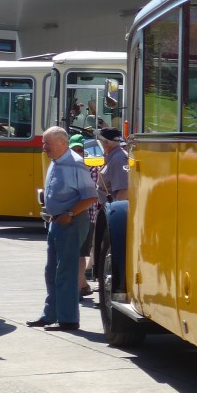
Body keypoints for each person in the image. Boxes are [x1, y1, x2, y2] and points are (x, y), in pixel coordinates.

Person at [27, 126, 98, 331]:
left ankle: (68, 319)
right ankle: (50, 315)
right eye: (44, 143)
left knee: (65, 271)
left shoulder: (75, 163)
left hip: (71, 222)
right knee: (51, 271)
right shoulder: (55, 162)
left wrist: (69, 214)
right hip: (57, 221)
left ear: (62, 143)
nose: (44, 147)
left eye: (47, 143)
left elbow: (90, 196)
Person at [69, 134, 101, 296]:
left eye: (80, 150)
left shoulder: (91, 167)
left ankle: (79, 287)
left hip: (85, 215)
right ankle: (81, 285)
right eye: (74, 149)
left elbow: (91, 193)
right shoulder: (73, 166)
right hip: (78, 214)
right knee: (78, 253)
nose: (77, 152)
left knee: (79, 253)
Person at [97, 127, 129, 203]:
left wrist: (115, 209)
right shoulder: (114, 157)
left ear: (106, 143)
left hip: (112, 208)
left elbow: (123, 191)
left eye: (101, 141)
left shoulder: (118, 160)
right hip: (107, 206)